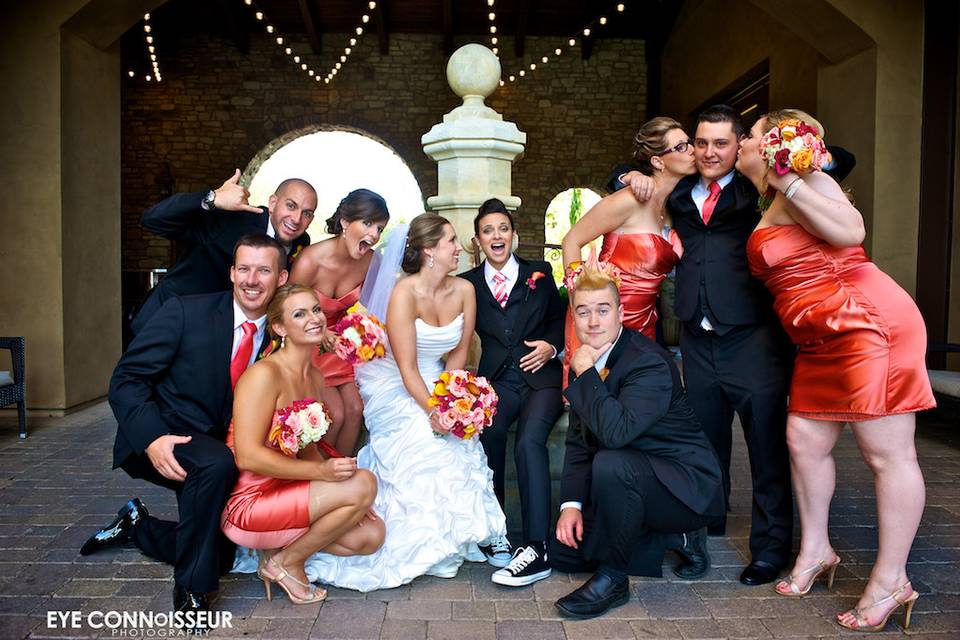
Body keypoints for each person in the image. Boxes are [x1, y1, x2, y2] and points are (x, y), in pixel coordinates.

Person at [738, 109, 935, 632]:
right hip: (819, 336)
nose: (741, 142)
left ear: (773, 144)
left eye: (750, 134)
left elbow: (851, 230)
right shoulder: (770, 196)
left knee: (886, 455)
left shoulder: (804, 179)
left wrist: (788, 180)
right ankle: (817, 549)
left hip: (866, 324)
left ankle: (892, 579)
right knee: (803, 438)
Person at [621, 105, 795, 585]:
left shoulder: (758, 190)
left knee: (766, 446)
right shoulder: (677, 194)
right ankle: (707, 524)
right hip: (696, 340)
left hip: (751, 337)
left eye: (721, 142)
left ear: (739, 144)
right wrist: (630, 173)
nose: (710, 152)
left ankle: (771, 548)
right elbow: (633, 179)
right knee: (704, 442)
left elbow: (837, 161)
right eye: (702, 143)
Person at [81, 234, 288, 613]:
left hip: (218, 446)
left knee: (220, 554)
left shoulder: (280, 335)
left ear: (282, 277)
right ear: (231, 272)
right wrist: (153, 438)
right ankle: (191, 591)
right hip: (164, 434)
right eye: (243, 269)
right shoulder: (184, 312)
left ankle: (137, 527)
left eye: (263, 270)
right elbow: (126, 380)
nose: (251, 280)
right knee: (215, 464)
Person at [302, 213, 506, 591]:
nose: (458, 248)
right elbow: (408, 366)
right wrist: (431, 411)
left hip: (441, 378)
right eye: (450, 242)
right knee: (421, 437)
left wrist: (452, 401)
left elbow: (459, 353)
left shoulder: (464, 290)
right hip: (400, 381)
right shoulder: (403, 293)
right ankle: (417, 539)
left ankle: (450, 541)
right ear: (429, 250)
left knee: (456, 438)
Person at [551, 266, 724, 619]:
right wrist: (571, 505)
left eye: (603, 310)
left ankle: (614, 579)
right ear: (574, 317)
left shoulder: (649, 363)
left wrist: (584, 375)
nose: (594, 321)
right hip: (635, 479)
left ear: (621, 313)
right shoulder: (590, 359)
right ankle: (679, 540)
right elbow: (580, 442)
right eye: (583, 312)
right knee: (563, 553)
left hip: (684, 487)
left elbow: (615, 434)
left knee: (612, 462)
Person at [221, 283, 384, 604]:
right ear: (280, 327)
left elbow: (307, 444)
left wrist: (330, 472)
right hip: (250, 502)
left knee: (371, 536)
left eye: (316, 309)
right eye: (299, 314)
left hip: (288, 487)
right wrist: (323, 473)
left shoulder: (314, 375)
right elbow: (248, 458)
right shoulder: (263, 375)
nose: (314, 318)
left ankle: (275, 552)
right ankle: (287, 562)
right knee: (364, 484)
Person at [460, 198, 565, 585]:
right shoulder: (467, 283)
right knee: (490, 433)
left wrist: (551, 347)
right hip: (498, 382)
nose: (496, 235)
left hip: (542, 380)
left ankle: (537, 545)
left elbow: (559, 318)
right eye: (488, 230)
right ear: (478, 241)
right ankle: (495, 533)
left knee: (529, 443)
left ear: (514, 236)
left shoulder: (540, 272)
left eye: (502, 228)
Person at [562, 117, 691, 384]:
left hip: (645, 324)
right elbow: (571, 240)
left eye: (689, 143)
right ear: (658, 161)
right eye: (681, 147)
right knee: (599, 405)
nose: (691, 150)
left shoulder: (671, 209)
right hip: (605, 322)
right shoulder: (629, 199)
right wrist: (583, 297)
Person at [131, 170, 315, 334]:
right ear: (273, 203)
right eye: (291, 206)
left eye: (306, 213)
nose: (297, 219)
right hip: (167, 322)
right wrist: (212, 198)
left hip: (223, 338)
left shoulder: (301, 243)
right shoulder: (233, 219)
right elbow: (152, 220)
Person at [290, 189, 390, 455]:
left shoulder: (373, 262)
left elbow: (377, 312)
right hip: (306, 346)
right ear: (345, 222)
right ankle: (316, 475)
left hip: (341, 348)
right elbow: (287, 310)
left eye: (379, 228)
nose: (374, 235)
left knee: (356, 409)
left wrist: (364, 335)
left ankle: (342, 473)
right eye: (367, 223)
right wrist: (320, 333)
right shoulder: (311, 259)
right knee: (334, 413)